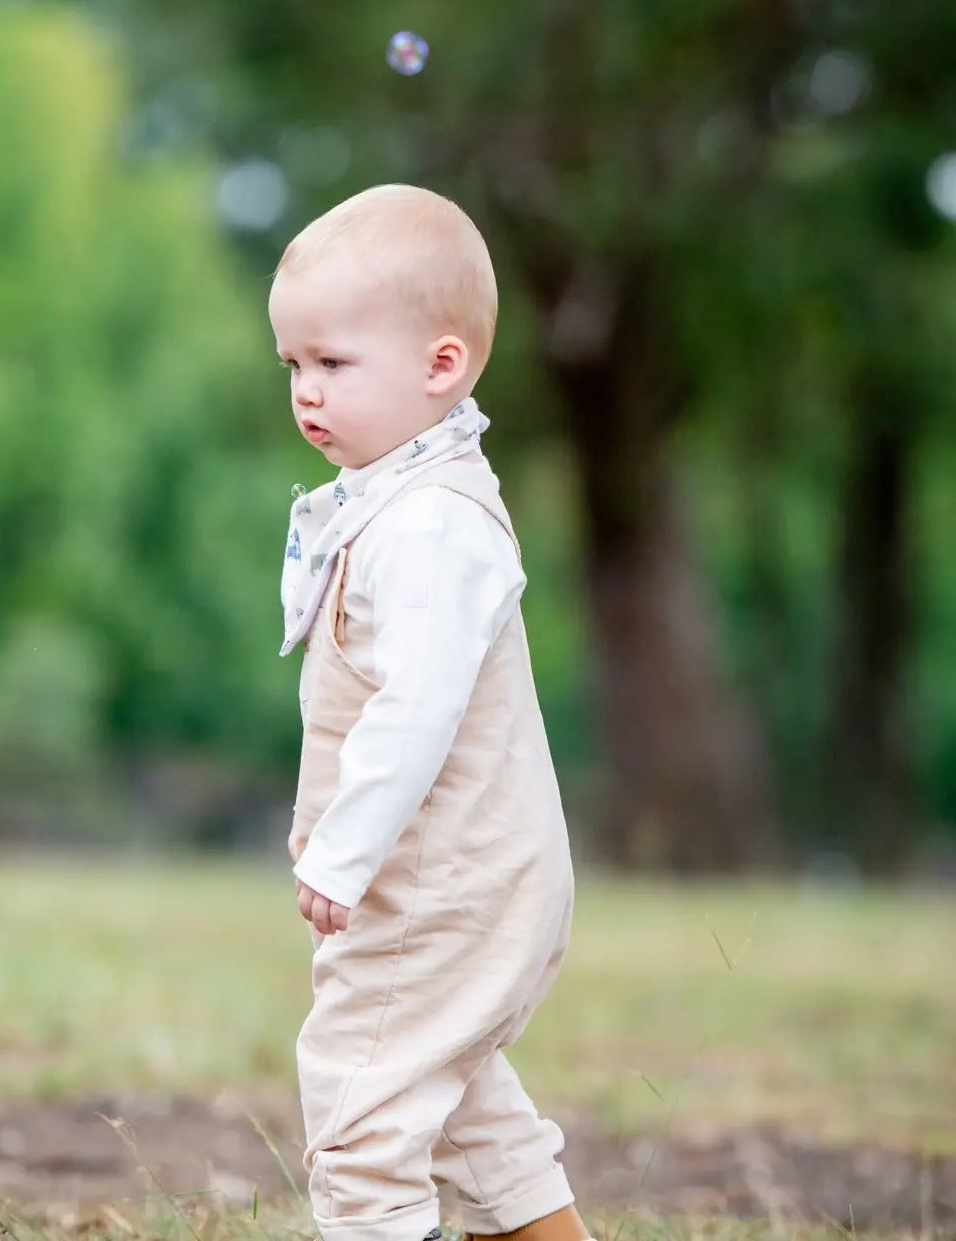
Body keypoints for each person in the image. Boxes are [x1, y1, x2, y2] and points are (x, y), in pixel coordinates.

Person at [271, 183, 591, 1241]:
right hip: (449, 881)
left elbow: (420, 708)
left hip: (441, 887)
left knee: (361, 1113)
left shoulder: (431, 530)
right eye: (294, 366)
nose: (307, 392)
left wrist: (342, 850)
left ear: (440, 367)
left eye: (333, 363)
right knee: (459, 1107)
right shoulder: (397, 505)